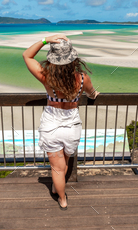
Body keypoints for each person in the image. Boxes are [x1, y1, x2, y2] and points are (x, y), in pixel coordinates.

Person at [23, 34, 99, 211]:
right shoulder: (82, 79)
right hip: (71, 126)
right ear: (73, 59)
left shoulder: (47, 77)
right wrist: (95, 95)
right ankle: (59, 188)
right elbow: (92, 93)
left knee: (57, 168)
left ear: (53, 60)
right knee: (63, 164)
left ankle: (62, 198)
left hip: (51, 125)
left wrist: (45, 40)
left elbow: (27, 55)